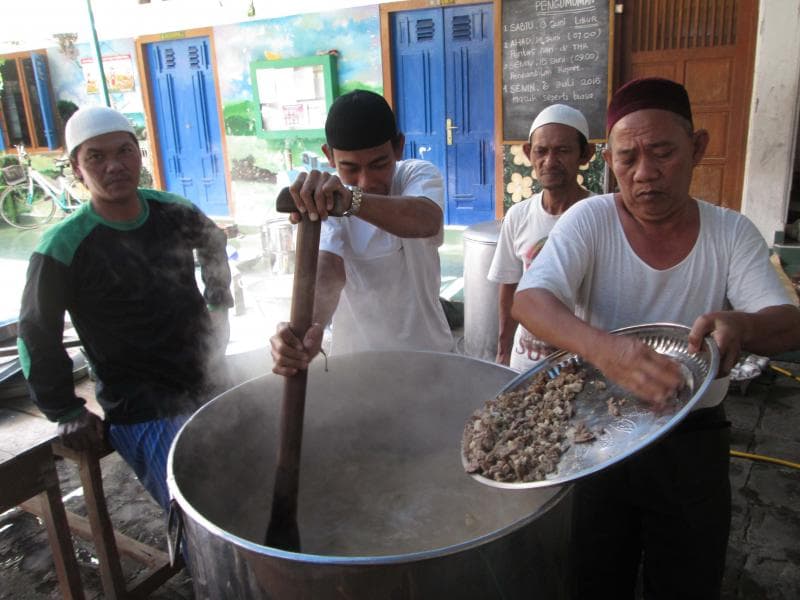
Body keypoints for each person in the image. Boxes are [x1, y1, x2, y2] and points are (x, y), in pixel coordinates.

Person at [513, 77, 800, 599]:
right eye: (628, 159)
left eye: (663, 152)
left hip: (692, 436)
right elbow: (531, 301)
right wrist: (606, 350)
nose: (645, 174)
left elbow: (788, 321)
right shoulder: (591, 219)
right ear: (609, 161)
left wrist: (747, 326)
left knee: (688, 580)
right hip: (595, 435)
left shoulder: (730, 232)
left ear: (698, 148)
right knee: (593, 577)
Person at [17, 105, 233, 512]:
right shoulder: (63, 248)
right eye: (95, 157)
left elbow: (213, 243)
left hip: (207, 382)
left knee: (251, 487)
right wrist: (63, 407)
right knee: (200, 511)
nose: (114, 166)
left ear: (139, 155)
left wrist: (218, 303)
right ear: (76, 168)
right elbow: (36, 331)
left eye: (125, 151)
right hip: (143, 407)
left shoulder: (172, 211)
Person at [270, 90, 452, 375]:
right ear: (329, 156)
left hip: (430, 357)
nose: (366, 181)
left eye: (379, 165)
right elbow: (328, 270)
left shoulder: (417, 175)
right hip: (356, 365)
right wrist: (311, 327)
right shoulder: (326, 202)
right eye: (350, 168)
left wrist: (349, 200)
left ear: (398, 147)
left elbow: (425, 219)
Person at [488, 104, 595, 371]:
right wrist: (503, 351)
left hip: (582, 365)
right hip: (526, 362)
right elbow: (510, 287)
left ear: (585, 154)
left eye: (562, 151)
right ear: (528, 153)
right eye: (541, 151)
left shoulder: (600, 216)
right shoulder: (518, 215)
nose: (549, 161)